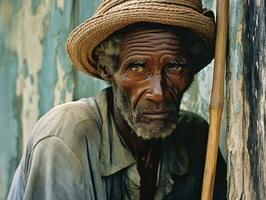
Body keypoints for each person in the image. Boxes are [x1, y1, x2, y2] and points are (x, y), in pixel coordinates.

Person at [8, 0, 227, 199]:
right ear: (106, 68)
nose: (158, 93)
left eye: (174, 66)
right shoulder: (66, 138)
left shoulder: (196, 139)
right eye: (138, 67)